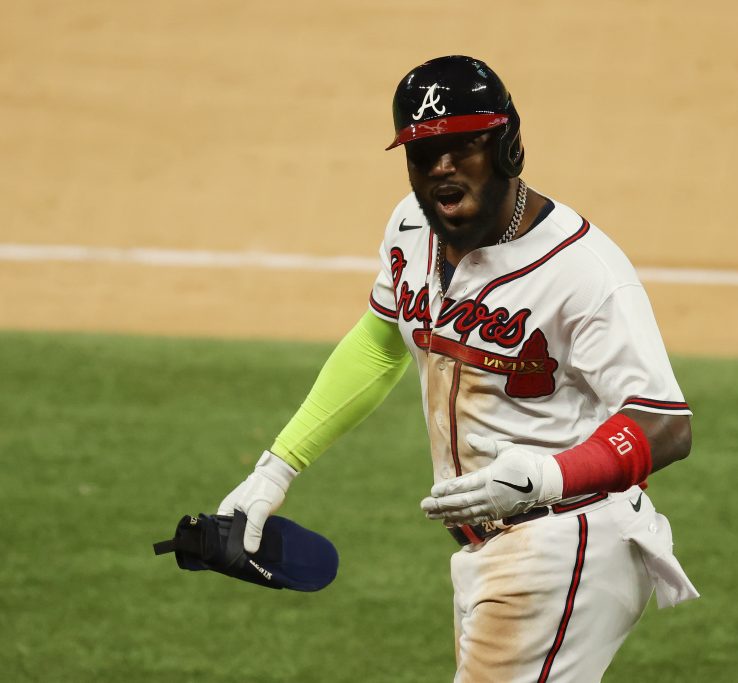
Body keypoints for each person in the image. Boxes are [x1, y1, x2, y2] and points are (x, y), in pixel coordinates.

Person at [217, 55, 699, 682]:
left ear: (508, 147)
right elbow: (379, 344)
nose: (440, 167)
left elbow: (664, 422)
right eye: (422, 152)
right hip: (493, 550)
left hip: (566, 541)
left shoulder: (584, 273)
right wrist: (277, 466)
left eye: (462, 146)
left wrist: (544, 476)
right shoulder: (410, 227)